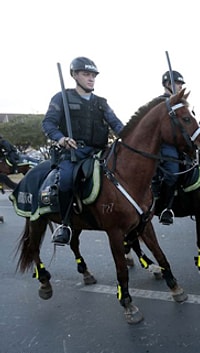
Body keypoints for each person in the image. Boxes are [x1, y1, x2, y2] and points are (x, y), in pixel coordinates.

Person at [42, 57, 124, 244]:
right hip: (74, 152)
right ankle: (64, 224)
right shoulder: (61, 97)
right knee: (66, 181)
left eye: (93, 75)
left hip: (100, 152)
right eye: (86, 74)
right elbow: (48, 123)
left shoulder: (101, 102)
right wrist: (61, 139)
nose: (91, 78)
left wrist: (129, 137)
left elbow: (117, 125)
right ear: (74, 75)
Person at [157, 70, 186, 224]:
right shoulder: (159, 103)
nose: (180, 86)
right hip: (166, 145)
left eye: (181, 84)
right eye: (177, 83)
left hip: (183, 145)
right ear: (168, 84)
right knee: (173, 172)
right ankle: (165, 208)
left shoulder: (182, 104)